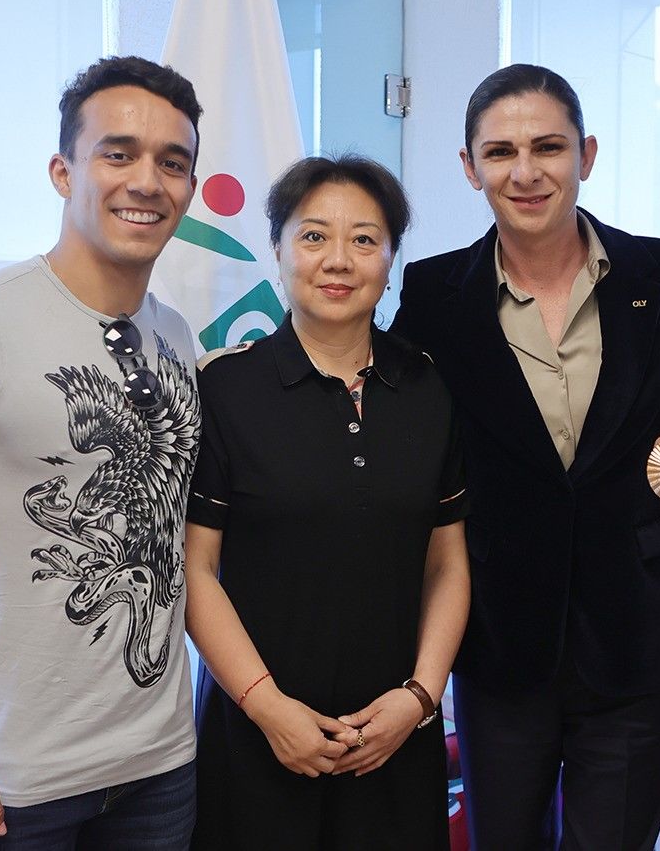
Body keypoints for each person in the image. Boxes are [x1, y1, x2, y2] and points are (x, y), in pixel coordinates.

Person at [0, 56, 204, 850]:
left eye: (173, 161)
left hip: (159, 765)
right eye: (117, 153)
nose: (147, 181)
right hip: (9, 775)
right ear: (64, 171)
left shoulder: (177, 336)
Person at [391, 64, 660, 850]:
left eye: (549, 146)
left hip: (634, 638)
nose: (526, 171)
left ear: (587, 154)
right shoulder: (433, 295)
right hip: (498, 642)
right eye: (500, 152)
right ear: (470, 168)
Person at [185, 154, 470, 850]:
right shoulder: (228, 389)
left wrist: (420, 696)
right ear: (278, 250)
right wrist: (268, 707)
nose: (338, 259)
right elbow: (195, 569)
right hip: (258, 737)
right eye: (313, 236)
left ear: (392, 256)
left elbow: (449, 564)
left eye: (364, 239)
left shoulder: (427, 389)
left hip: (395, 737)